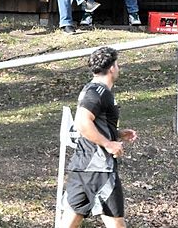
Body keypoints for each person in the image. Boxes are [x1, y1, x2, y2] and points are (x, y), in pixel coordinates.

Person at [61, 46, 138, 228]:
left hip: (82, 166)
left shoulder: (93, 89)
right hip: (99, 168)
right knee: (116, 224)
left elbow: (92, 124)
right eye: (117, 64)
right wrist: (108, 144)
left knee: (69, 223)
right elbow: (82, 122)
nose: (118, 68)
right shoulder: (98, 92)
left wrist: (117, 134)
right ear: (111, 68)